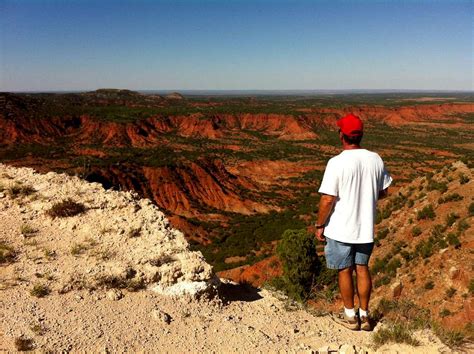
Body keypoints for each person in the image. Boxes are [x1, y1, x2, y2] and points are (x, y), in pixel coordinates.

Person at [315, 113, 392, 331]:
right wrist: (366, 198)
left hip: (340, 229)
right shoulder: (375, 159)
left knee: (344, 271)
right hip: (365, 228)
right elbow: (384, 191)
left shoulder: (336, 163)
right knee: (363, 268)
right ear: (361, 135)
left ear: (342, 135)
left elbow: (327, 199)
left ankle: (350, 317)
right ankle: (365, 316)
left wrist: (319, 224)